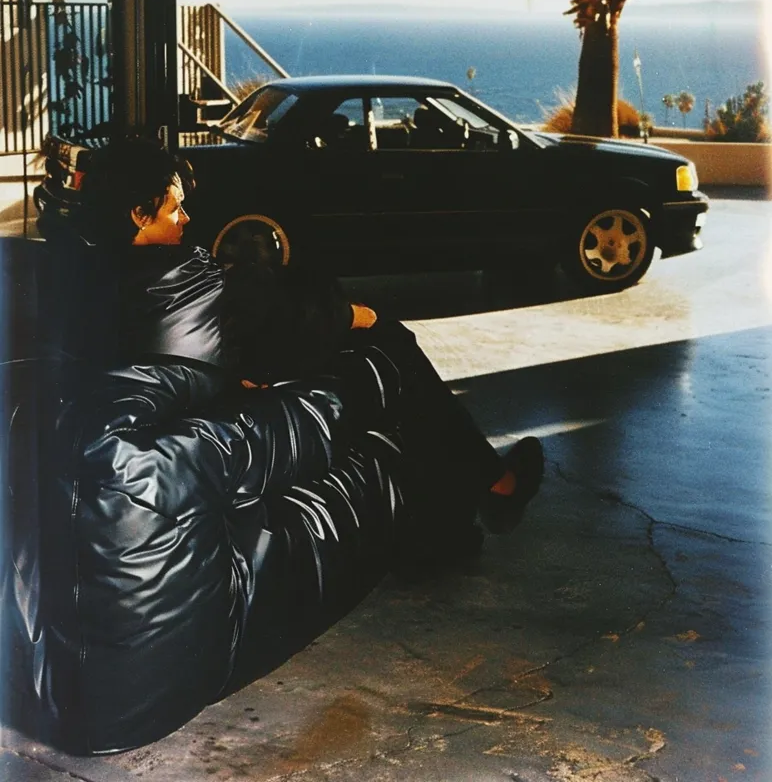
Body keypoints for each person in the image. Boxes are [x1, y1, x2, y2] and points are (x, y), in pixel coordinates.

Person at [3, 136, 542, 755]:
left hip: (140, 414)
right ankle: (491, 487)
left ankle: (469, 504)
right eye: (173, 208)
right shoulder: (190, 286)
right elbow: (289, 328)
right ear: (138, 213)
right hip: (223, 418)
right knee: (393, 348)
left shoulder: (69, 272)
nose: (186, 219)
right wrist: (355, 317)